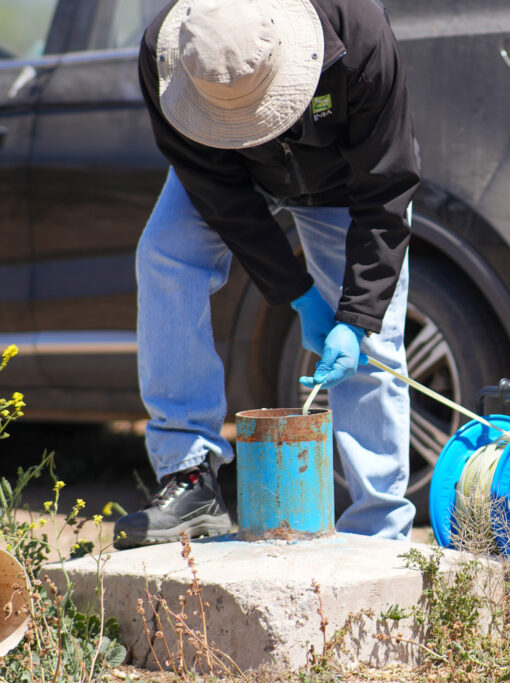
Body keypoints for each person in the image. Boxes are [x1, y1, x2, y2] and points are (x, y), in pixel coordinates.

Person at [113, 0, 419, 548]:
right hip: (232, 171)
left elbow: (387, 191)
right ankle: (188, 479)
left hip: (342, 184)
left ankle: (380, 525)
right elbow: (217, 193)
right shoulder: (165, 52)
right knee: (165, 255)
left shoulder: (360, 38)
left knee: (374, 346)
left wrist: (356, 316)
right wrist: (297, 294)